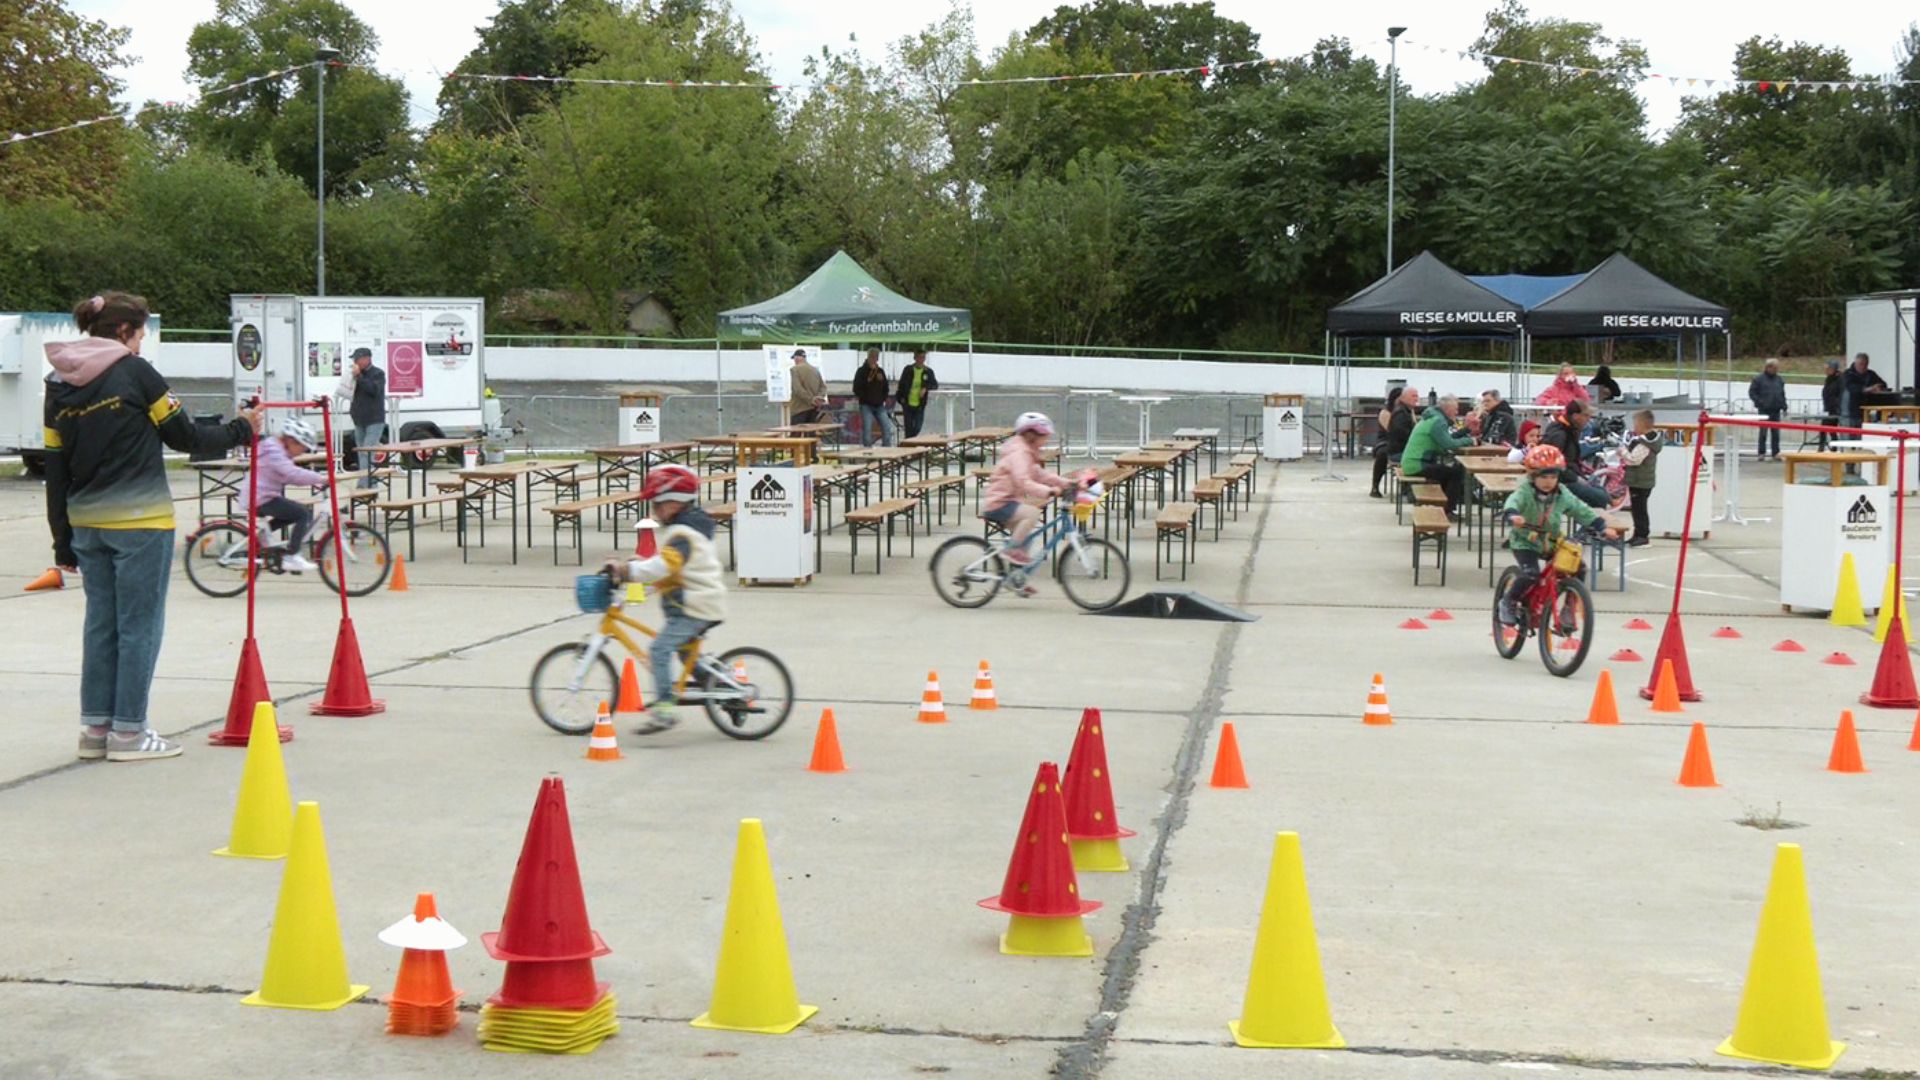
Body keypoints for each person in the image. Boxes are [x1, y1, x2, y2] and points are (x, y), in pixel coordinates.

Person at [44, 292, 263, 762]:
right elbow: (187, 438)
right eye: (141, 333)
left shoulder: (56, 382)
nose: (142, 343)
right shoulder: (135, 373)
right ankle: (129, 734)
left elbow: (55, 465)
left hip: (86, 523)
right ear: (124, 331)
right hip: (141, 521)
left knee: (100, 626)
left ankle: (95, 730)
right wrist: (242, 428)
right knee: (139, 627)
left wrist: (62, 539)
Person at [602, 465, 726, 735]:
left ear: (675, 502)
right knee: (685, 655)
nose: (654, 510)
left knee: (659, 650)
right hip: (696, 602)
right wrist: (639, 566)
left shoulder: (683, 535)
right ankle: (720, 686)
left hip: (695, 606)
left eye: (658, 504)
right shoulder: (687, 530)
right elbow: (668, 564)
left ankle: (665, 709)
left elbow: (666, 566)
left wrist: (628, 571)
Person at [1497, 445, 1619, 626]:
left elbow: (1581, 510)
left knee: (1578, 568)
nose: (1549, 481)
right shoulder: (1525, 492)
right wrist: (1513, 515)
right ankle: (1508, 601)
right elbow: (1512, 502)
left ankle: (1569, 607)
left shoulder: (1562, 494)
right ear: (1532, 476)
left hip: (1551, 541)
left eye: (1553, 477)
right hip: (1525, 541)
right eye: (1543, 477)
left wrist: (1601, 526)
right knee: (1530, 574)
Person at [979, 412, 1074, 597]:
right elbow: (1024, 481)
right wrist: (1048, 491)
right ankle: (1011, 550)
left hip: (1009, 500)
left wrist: (1066, 483)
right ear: (1032, 434)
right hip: (999, 502)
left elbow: (1041, 475)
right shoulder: (1020, 453)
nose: (1046, 440)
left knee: (1026, 537)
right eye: (1044, 436)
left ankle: (1016, 578)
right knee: (1031, 514)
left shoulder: (1027, 452)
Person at [253, 416, 329, 572]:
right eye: (302, 447)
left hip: (263, 495)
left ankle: (262, 538)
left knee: (292, 513)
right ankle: (292, 556)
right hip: (260, 497)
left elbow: (290, 474)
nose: (302, 452)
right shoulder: (275, 452)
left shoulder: (276, 448)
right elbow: (290, 473)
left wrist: (315, 480)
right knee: (302, 513)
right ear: (291, 440)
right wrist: (320, 479)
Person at [1399, 395, 1475, 518]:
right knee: (1455, 473)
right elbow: (1448, 444)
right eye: (1455, 409)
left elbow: (1446, 439)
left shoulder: (1433, 418)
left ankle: (1443, 507)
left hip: (1412, 462)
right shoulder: (1438, 421)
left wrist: (1466, 431)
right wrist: (1470, 441)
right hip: (1416, 464)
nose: (1457, 412)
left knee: (1448, 472)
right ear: (1447, 409)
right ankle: (1447, 511)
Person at [1541, 400, 1612, 508]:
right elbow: (1554, 465)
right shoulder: (1560, 435)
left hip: (1567, 478)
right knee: (1601, 499)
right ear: (1575, 416)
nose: (1589, 420)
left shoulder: (1566, 430)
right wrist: (1576, 478)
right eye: (1586, 416)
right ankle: (1591, 523)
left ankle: (1591, 521)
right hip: (1559, 482)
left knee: (1601, 491)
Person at [345, 346, 386, 489]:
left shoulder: (378, 374)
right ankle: (370, 483)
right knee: (361, 451)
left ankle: (364, 484)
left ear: (367, 359)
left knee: (367, 452)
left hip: (374, 419)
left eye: (358, 359)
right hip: (359, 419)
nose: (356, 362)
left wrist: (359, 377)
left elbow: (373, 390)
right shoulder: (356, 375)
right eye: (354, 360)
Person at [1369, 387, 1420, 498]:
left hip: (1400, 441)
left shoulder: (1408, 411)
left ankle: (1406, 486)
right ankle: (1375, 486)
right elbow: (1391, 430)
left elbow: (1414, 426)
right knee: (1382, 454)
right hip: (1385, 440)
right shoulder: (1386, 412)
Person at [1623, 410, 1660, 547]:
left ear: (1644, 424)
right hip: (1642, 481)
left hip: (1640, 481)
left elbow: (1634, 460)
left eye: (1636, 424)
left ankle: (1642, 535)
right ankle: (1637, 533)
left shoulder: (1645, 443)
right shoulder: (1647, 441)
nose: (1634, 427)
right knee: (1637, 509)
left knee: (1640, 510)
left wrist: (1623, 452)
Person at [851, 348, 896, 447]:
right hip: (866, 405)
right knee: (867, 429)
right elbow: (856, 388)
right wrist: (865, 393)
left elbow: (886, 387)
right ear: (868, 357)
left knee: (887, 428)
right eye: (872, 356)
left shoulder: (880, 371)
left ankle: (886, 449)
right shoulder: (861, 371)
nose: (874, 359)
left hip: (879, 405)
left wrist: (883, 398)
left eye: (876, 357)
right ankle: (867, 450)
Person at [1748, 359, 1788, 461]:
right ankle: (1761, 452)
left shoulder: (1779, 379)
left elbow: (1782, 394)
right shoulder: (1758, 379)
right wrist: (1760, 402)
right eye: (1774, 368)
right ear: (1768, 367)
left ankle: (1775, 452)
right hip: (1764, 410)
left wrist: (1784, 406)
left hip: (1776, 409)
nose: (1776, 370)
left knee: (1776, 433)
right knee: (1763, 432)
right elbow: (1752, 393)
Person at [895, 350, 938, 439]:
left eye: (923, 357)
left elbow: (935, 385)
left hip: (920, 404)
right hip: (907, 402)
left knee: (918, 426)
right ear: (915, 358)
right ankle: (909, 444)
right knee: (909, 427)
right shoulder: (908, 369)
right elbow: (901, 384)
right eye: (919, 357)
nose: (921, 360)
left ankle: (910, 442)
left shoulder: (928, 371)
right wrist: (901, 398)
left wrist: (925, 388)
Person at [1842, 352, 1887, 432]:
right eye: (1860, 364)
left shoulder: (1870, 374)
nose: (1863, 367)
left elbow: (1883, 384)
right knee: (1849, 438)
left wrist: (1878, 387)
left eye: (1865, 364)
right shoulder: (1848, 374)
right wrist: (1867, 389)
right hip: (1849, 412)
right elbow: (1851, 388)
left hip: (1865, 412)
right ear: (1855, 363)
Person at [787, 348, 828, 425]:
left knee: (796, 434)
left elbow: (797, 389)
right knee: (811, 433)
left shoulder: (794, 369)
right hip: (814, 409)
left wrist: (811, 400)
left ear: (796, 358)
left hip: (799, 408)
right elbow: (823, 387)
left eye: (794, 358)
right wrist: (819, 398)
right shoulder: (815, 370)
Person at [1820, 358, 1844, 450]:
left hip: (1836, 409)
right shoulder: (1828, 379)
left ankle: (1832, 445)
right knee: (1825, 428)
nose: (1826, 371)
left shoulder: (1840, 379)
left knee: (1830, 427)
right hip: (1828, 407)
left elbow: (1840, 393)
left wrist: (1838, 406)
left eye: (1828, 369)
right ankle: (1824, 446)